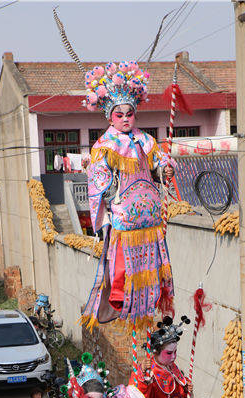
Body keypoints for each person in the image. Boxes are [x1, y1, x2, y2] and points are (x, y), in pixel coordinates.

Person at [82, 62, 175, 330]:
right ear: (110, 117)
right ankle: (120, 304)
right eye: (119, 114)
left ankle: (155, 299)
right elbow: (99, 179)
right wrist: (114, 198)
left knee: (154, 266)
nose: (125, 118)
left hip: (151, 216)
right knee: (121, 268)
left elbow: (158, 166)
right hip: (125, 217)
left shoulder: (146, 140)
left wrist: (164, 169)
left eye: (129, 113)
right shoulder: (105, 145)